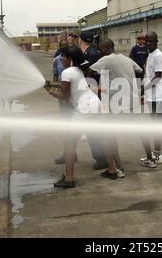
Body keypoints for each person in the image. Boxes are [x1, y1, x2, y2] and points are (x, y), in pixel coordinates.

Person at [45, 46, 118, 188]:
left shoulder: (67, 72)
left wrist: (49, 91)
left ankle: (69, 179)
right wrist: (53, 85)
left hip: (85, 109)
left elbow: (65, 96)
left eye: (63, 57)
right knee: (104, 138)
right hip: (95, 104)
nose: (61, 59)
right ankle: (112, 169)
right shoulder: (78, 70)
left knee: (69, 142)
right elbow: (68, 87)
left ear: (69, 59)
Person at [90, 39, 144, 178]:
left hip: (115, 105)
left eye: (100, 49)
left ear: (108, 48)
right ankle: (150, 158)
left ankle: (117, 168)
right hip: (131, 103)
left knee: (109, 136)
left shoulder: (107, 59)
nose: (98, 52)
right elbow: (140, 71)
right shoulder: (126, 59)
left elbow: (89, 70)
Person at [140, 31, 162, 168]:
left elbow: (158, 76)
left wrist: (144, 88)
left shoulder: (158, 55)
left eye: (150, 41)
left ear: (156, 41)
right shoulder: (152, 54)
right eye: (146, 41)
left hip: (158, 95)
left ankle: (158, 155)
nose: (148, 43)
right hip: (156, 94)